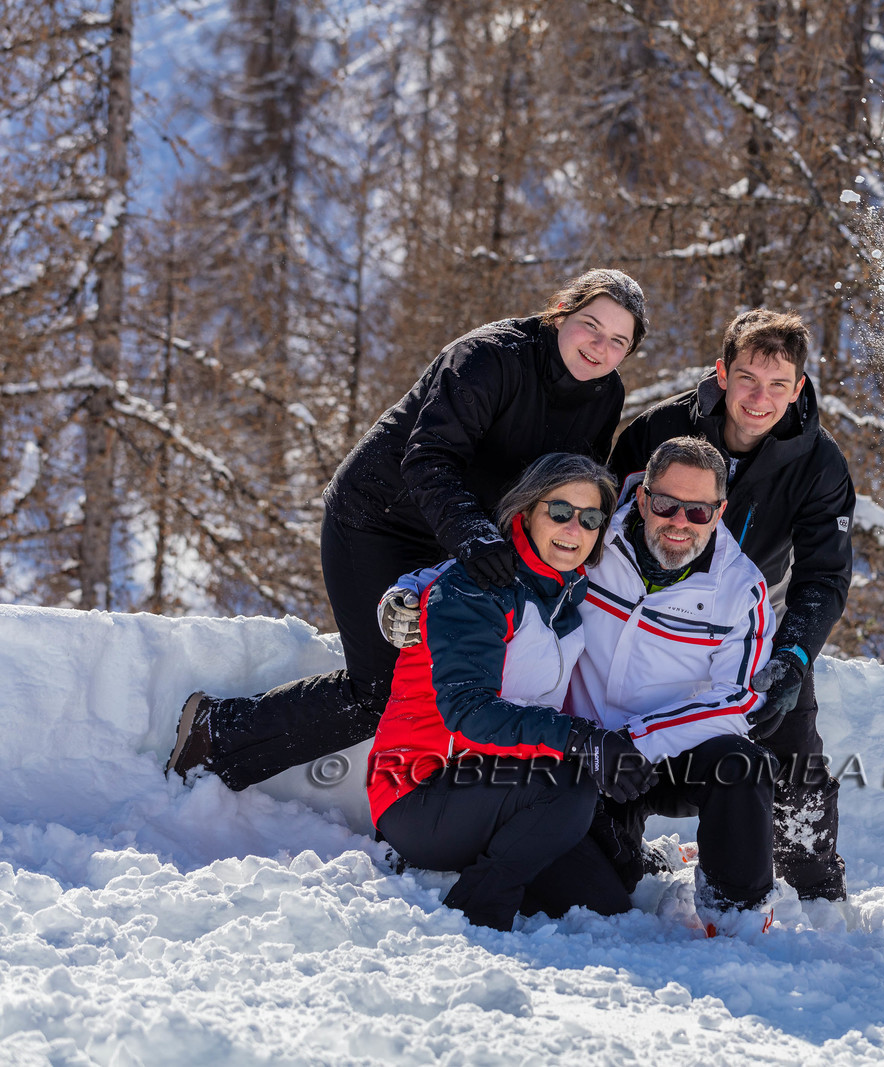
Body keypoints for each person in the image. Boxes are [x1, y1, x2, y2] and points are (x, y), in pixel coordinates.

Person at [168, 269, 649, 790]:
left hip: (467, 538)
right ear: (561, 313)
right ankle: (218, 734)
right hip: (380, 518)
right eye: (590, 325)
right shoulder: (489, 357)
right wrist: (471, 534)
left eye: (618, 341)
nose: (599, 347)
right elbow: (429, 456)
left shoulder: (604, 395)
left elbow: (570, 484)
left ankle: (443, 808)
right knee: (378, 689)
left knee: (462, 678)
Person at [384, 437, 780, 927]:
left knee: (738, 769)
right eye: (667, 504)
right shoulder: (593, 545)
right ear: (643, 498)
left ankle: (735, 913)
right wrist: (411, 588)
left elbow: (738, 698)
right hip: (555, 761)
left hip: (642, 753)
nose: (680, 521)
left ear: (719, 511)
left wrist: (630, 742)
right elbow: (480, 572)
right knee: (589, 860)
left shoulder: (739, 588)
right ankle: (484, 896)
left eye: (697, 511)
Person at [606, 309, 855, 903]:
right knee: (615, 724)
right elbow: (605, 515)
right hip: (647, 612)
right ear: (722, 373)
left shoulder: (819, 464)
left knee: (791, 750)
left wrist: (793, 656)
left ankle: (816, 886)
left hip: (750, 625)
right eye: (746, 377)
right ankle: (619, 855)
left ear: (798, 388)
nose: (758, 397)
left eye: (776, 384)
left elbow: (824, 576)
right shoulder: (660, 429)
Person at [367, 453, 656, 932]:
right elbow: (469, 712)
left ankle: (503, 864)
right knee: (567, 784)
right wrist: (580, 739)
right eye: (560, 512)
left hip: (502, 790)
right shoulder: (477, 585)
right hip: (421, 792)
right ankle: (476, 910)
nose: (573, 528)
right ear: (525, 512)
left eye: (590, 519)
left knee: (609, 899)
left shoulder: (566, 598)